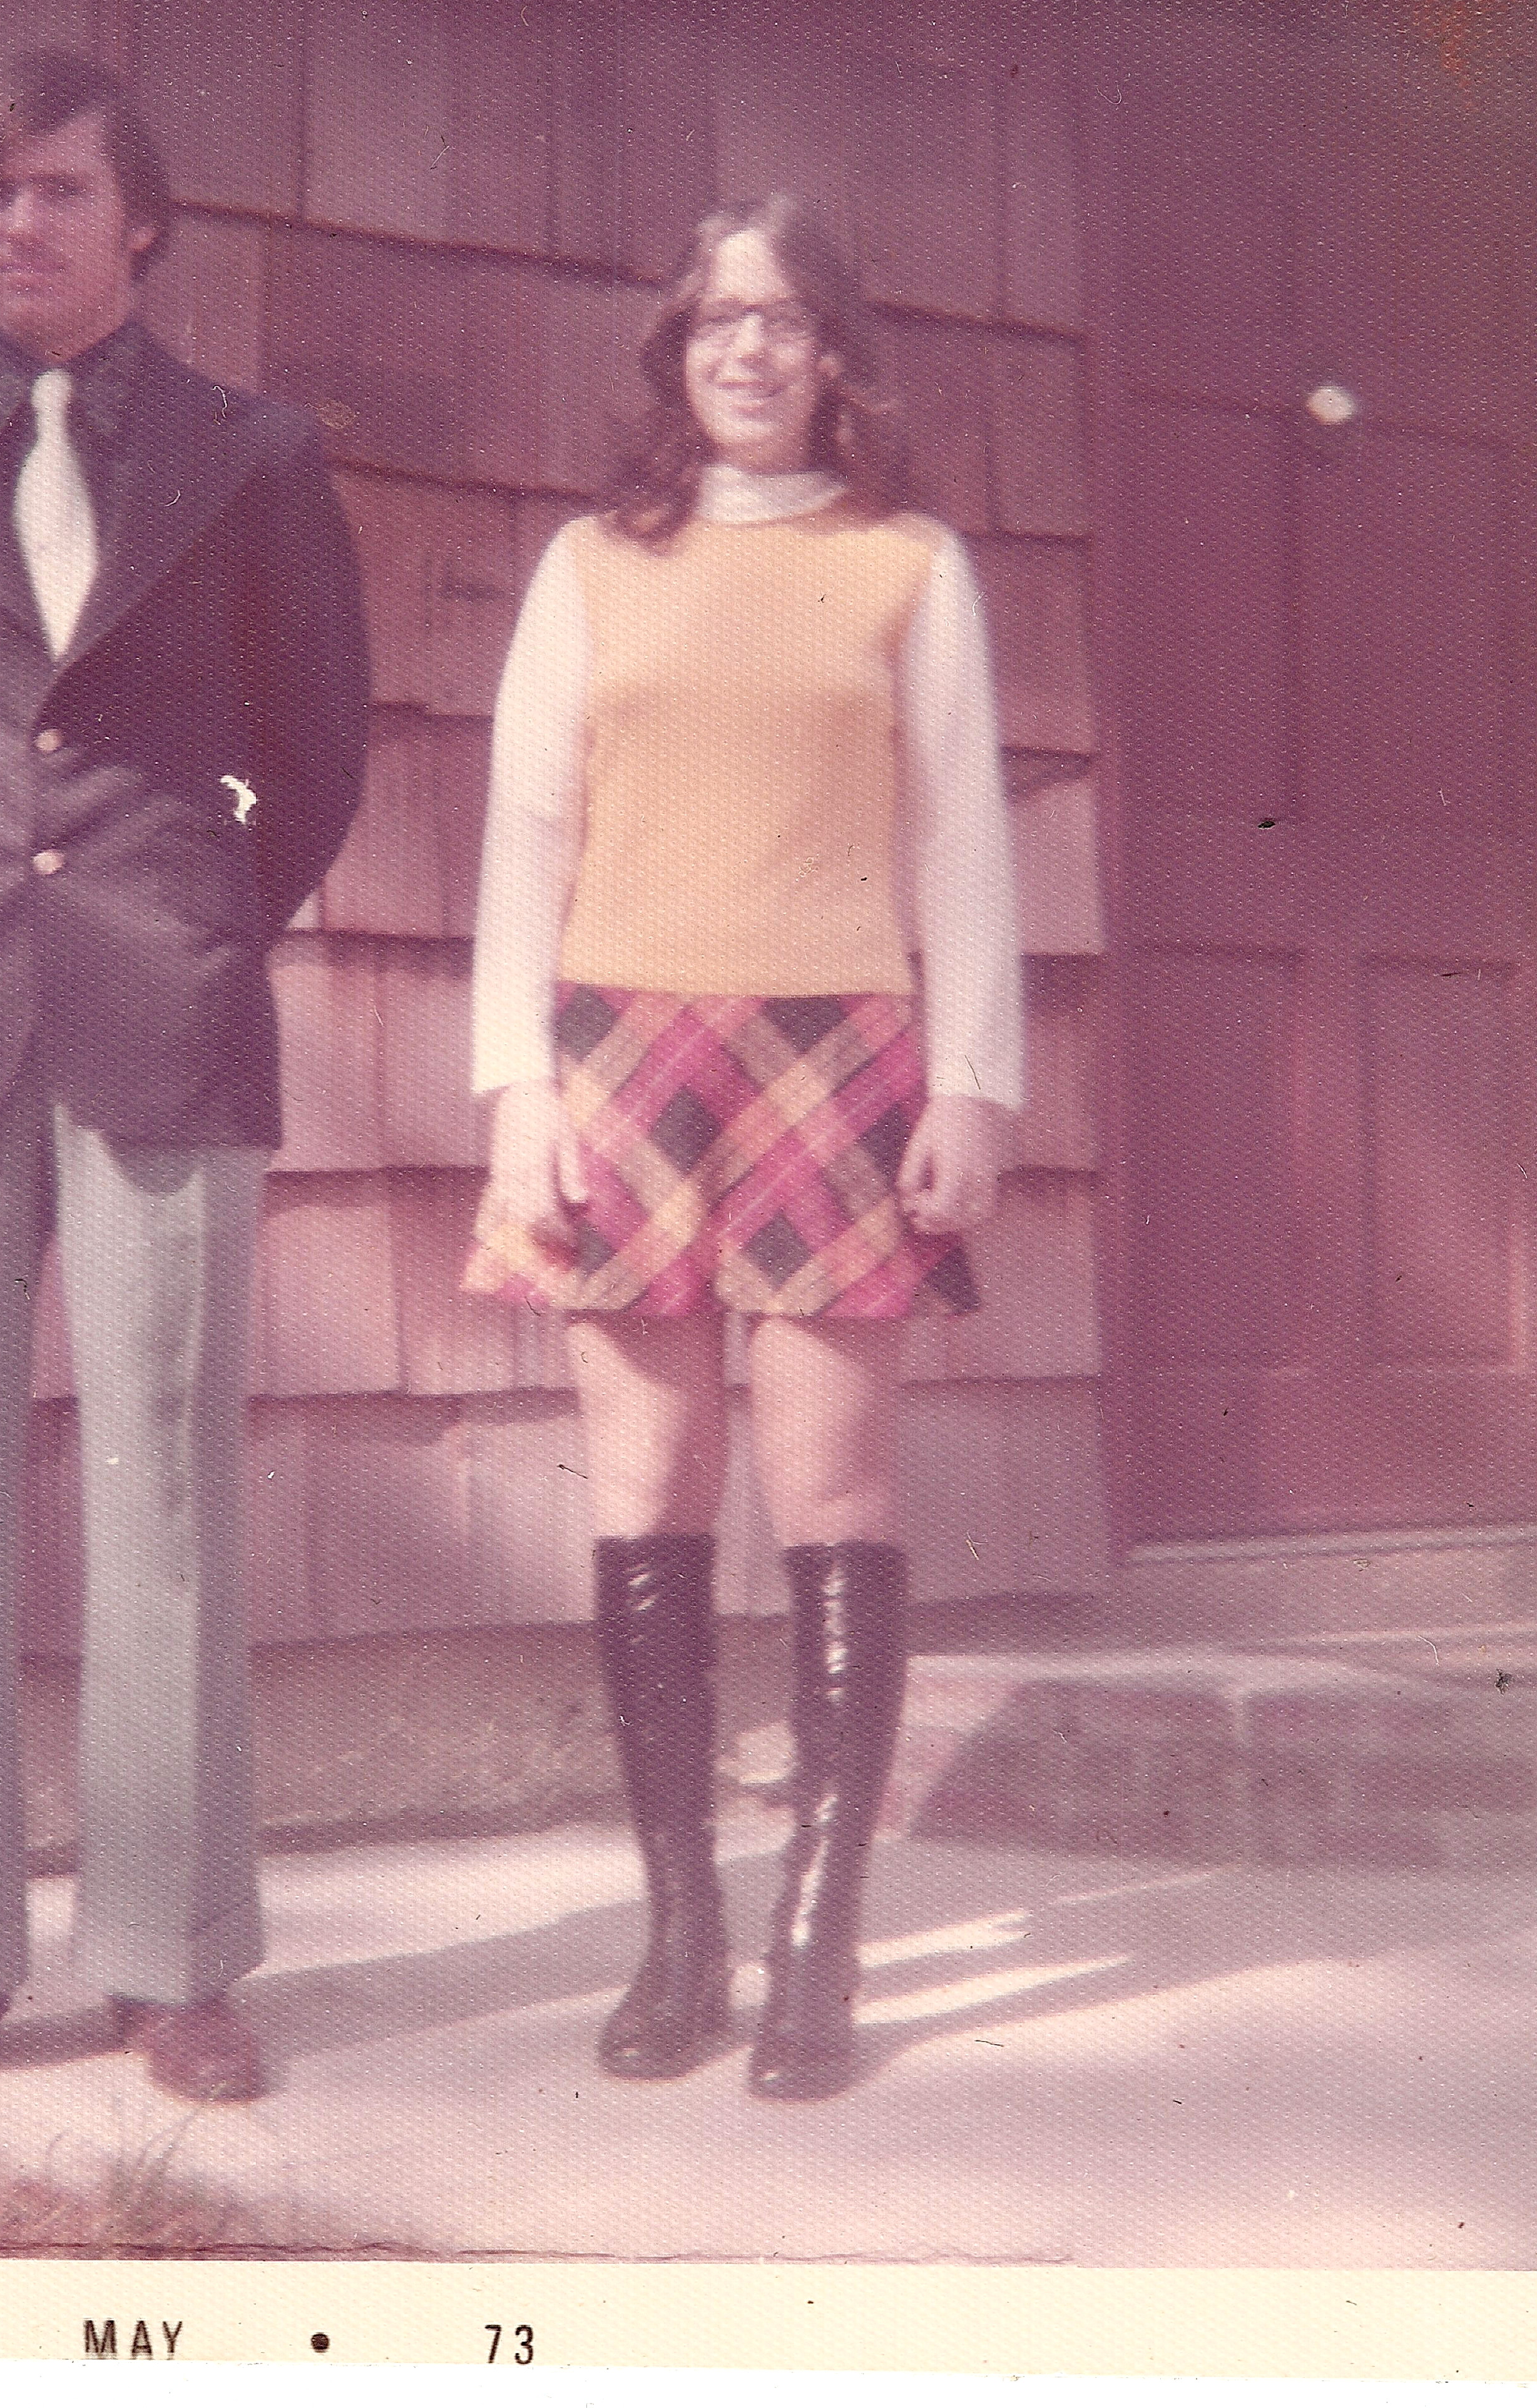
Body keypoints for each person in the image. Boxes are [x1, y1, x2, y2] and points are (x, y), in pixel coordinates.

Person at [0, 50, 370, 2113]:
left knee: (165, 1492)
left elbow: (313, 759)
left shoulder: (253, 456)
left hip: (165, 1007)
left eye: (53, 191)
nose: (12, 225)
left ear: (143, 222)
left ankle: (168, 1962)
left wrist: (194, 908)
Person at [463, 195, 1023, 2102]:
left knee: (830, 1494)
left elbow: (958, 840)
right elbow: (526, 837)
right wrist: (515, 1090)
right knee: (645, 1490)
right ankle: (680, 1934)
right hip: (619, 1060)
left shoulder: (906, 565)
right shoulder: (590, 567)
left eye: (783, 319)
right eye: (716, 320)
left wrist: (969, 1081)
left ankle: (813, 1944)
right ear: (676, 351)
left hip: (838, 1057)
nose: (750, 350)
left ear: (834, 352)